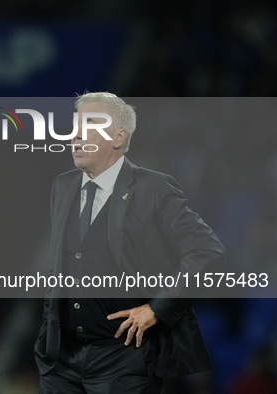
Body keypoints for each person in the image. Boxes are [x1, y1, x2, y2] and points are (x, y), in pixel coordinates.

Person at [34, 93, 226, 394]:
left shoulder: (155, 188)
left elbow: (207, 251)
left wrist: (155, 308)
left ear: (118, 136)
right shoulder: (63, 185)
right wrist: (47, 333)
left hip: (124, 357)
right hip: (61, 360)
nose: (76, 135)